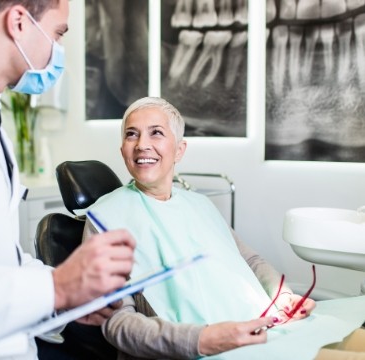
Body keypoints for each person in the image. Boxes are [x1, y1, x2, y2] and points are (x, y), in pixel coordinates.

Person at [0, 1, 135, 359]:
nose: (58, 51)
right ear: (19, 22)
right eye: (58, 34)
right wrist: (55, 288)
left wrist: (65, 302)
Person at [82, 96, 319, 359]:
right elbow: (118, 322)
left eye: (156, 133)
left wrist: (283, 296)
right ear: (122, 149)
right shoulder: (106, 217)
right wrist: (200, 340)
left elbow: (248, 259)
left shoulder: (200, 204)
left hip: (258, 334)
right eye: (131, 135)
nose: (142, 145)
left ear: (180, 150)